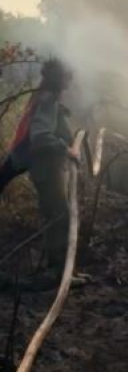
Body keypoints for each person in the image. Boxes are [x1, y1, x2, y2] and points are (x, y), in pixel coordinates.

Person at [0, 58, 80, 289]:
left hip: (42, 165)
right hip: (42, 166)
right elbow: (41, 137)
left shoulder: (45, 97)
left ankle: (62, 271)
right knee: (58, 215)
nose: (69, 81)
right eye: (67, 77)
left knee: (58, 214)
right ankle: (58, 273)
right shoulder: (47, 99)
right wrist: (66, 149)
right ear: (60, 79)